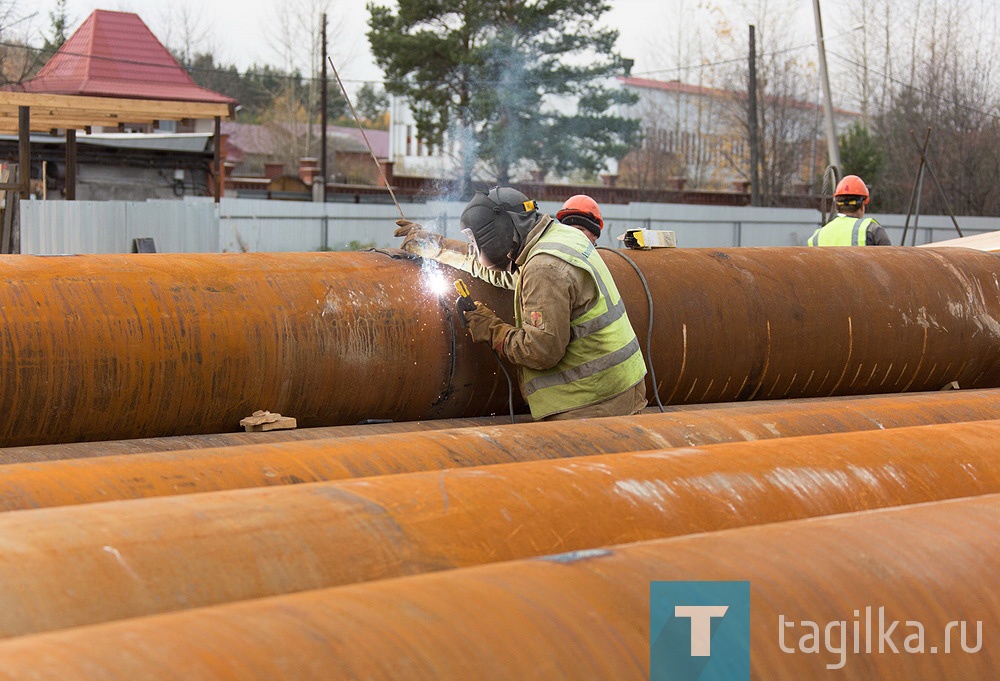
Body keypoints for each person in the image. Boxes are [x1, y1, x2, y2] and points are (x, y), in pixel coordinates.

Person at [394, 189, 647, 421]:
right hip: (618, 386)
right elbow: (502, 272)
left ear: (499, 233)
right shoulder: (561, 238)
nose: (477, 248)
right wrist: (434, 246)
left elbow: (541, 352)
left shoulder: (544, 267)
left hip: (593, 402)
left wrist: (492, 329)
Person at [808, 174, 891, 246]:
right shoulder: (871, 230)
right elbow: (889, 261)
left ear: (836, 206)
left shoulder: (816, 237)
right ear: (862, 206)